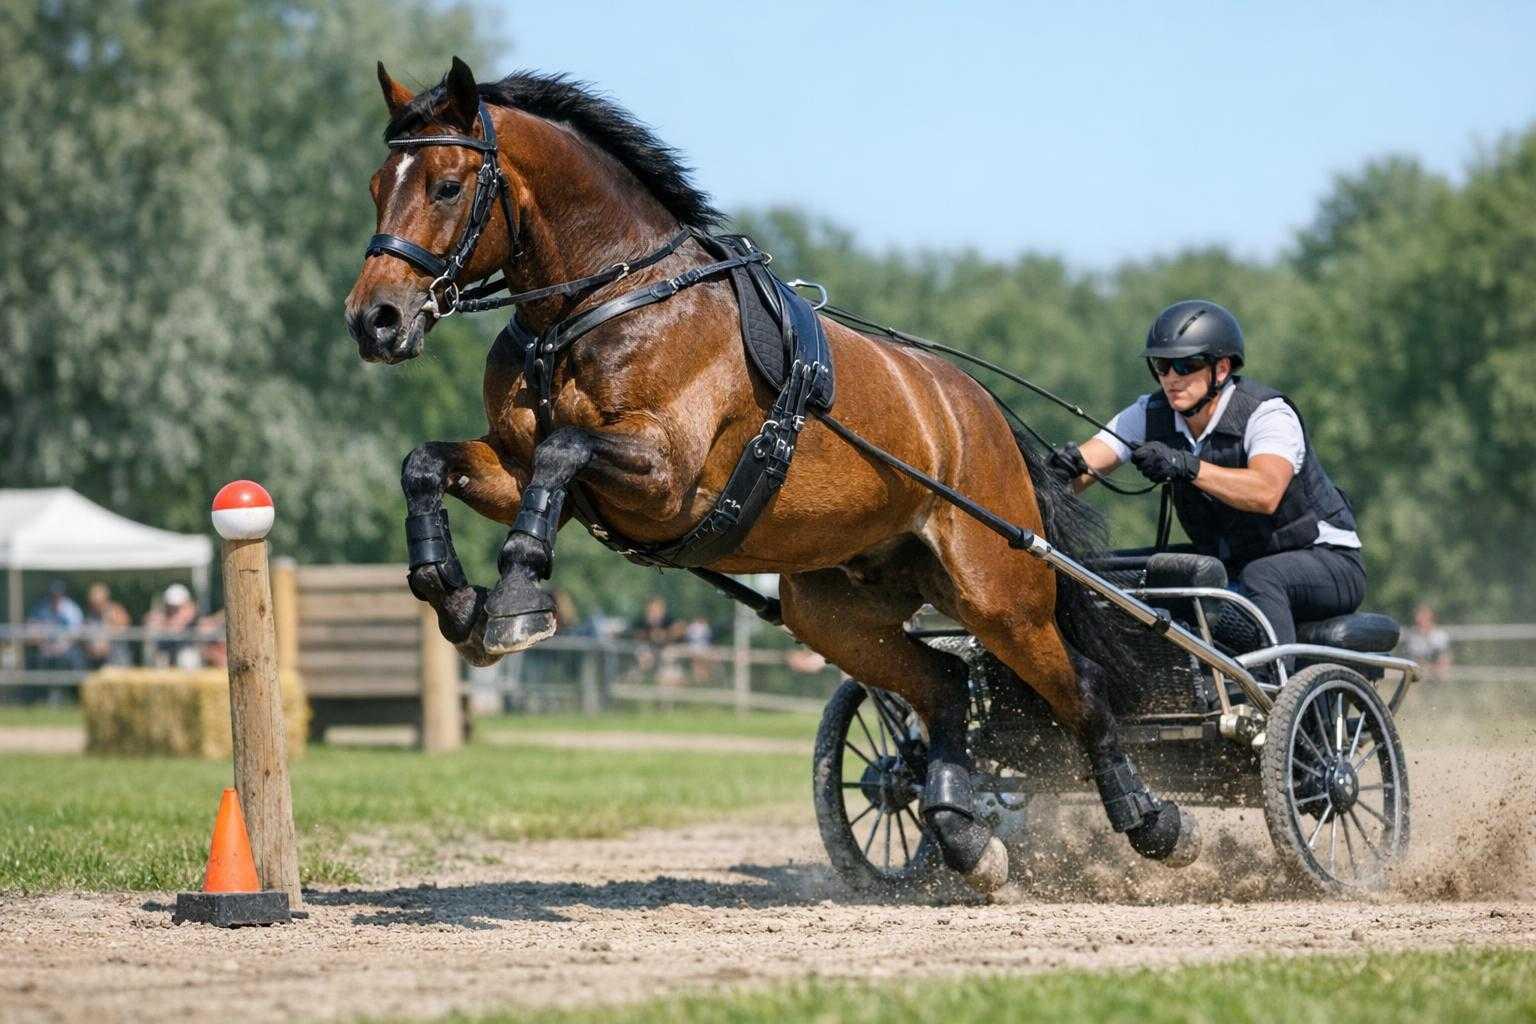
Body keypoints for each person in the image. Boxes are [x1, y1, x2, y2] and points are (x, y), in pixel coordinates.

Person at [1050, 299, 1365, 650]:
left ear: (1221, 369)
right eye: (1162, 366)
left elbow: (1265, 492)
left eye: (1186, 365)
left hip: (1326, 560)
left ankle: (1272, 679)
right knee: (1110, 569)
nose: (1172, 378)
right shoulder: (1149, 413)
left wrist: (1187, 466)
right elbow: (1089, 462)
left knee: (1263, 576)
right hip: (1233, 563)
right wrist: (1057, 473)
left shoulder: (1266, 414)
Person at [27, 580, 85, 671]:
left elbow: (75, 635)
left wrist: (60, 647)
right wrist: (44, 645)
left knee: (75, 657)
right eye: (53, 595)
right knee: (35, 658)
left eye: (58, 595)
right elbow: (32, 627)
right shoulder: (42, 608)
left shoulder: (72, 609)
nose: (55, 597)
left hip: (67, 648)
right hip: (45, 648)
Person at [82, 582, 132, 668]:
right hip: (94, 658)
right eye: (94, 602)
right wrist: (92, 649)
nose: (96, 605)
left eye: (99, 602)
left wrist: (108, 619)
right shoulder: (89, 617)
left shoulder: (117, 611)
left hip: (115, 657)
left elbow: (124, 628)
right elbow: (84, 637)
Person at [1401, 602, 1452, 682]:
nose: (1419, 620)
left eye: (1423, 616)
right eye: (1418, 616)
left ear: (1431, 616)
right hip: (1418, 668)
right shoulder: (1412, 635)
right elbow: (1413, 656)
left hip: (1436, 669)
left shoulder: (1440, 635)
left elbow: (1443, 656)